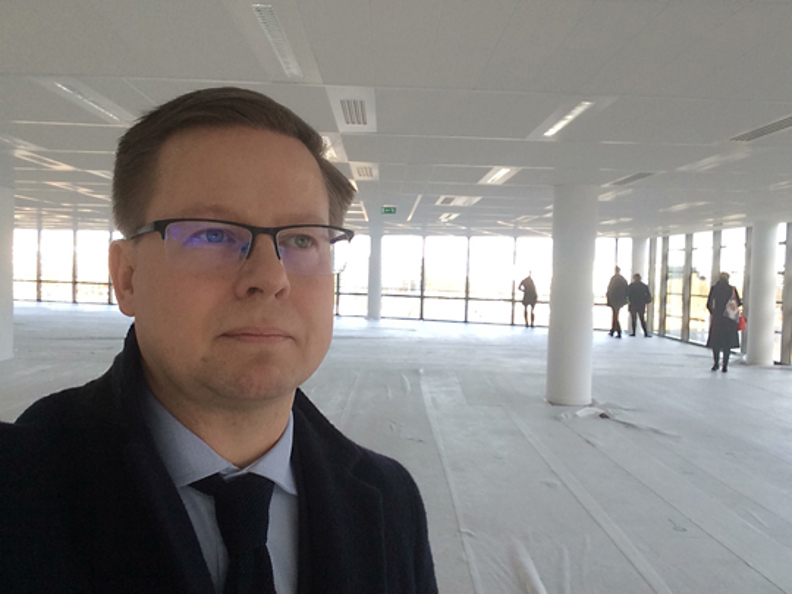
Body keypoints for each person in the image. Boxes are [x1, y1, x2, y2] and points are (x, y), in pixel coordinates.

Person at [0, 88, 437, 593]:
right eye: (212, 234)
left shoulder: (390, 499)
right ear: (127, 277)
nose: (270, 277)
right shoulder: (19, 486)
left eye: (301, 239)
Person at [706, 271, 742, 372]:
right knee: (727, 344)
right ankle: (725, 365)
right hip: (729, 319)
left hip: (718, 319)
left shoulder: (714, 288)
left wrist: (714, 312)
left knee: (716, 343)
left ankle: (716, 363)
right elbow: (738, 303)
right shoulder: (732, 289)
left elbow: (708, 304)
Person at [606, 266, 628, 338]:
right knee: (615, 315)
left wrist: (609, 299)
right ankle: (613, 330)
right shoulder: (622, 279)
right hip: (619, 300)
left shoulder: (614, 279)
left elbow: (610, 289)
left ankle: (618, 331)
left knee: (615, 316)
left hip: (615, 300)